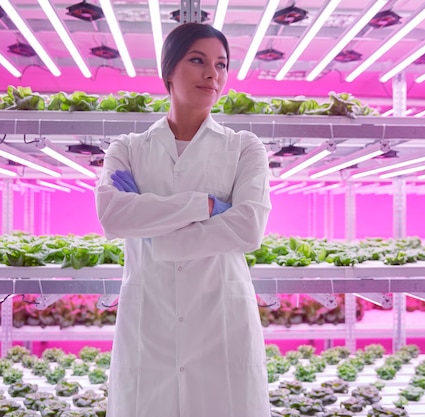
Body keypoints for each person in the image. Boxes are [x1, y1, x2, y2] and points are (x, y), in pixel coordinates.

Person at [95, 22, 272, 417]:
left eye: (222, 64)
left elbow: (248, 228)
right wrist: (205, 205)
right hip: (150, 323)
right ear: (168, 70)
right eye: (198, 60)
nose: (213, 74)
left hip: (221, 324)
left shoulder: (244, 148)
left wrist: (155, 230)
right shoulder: (127, 149)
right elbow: (113, 215)